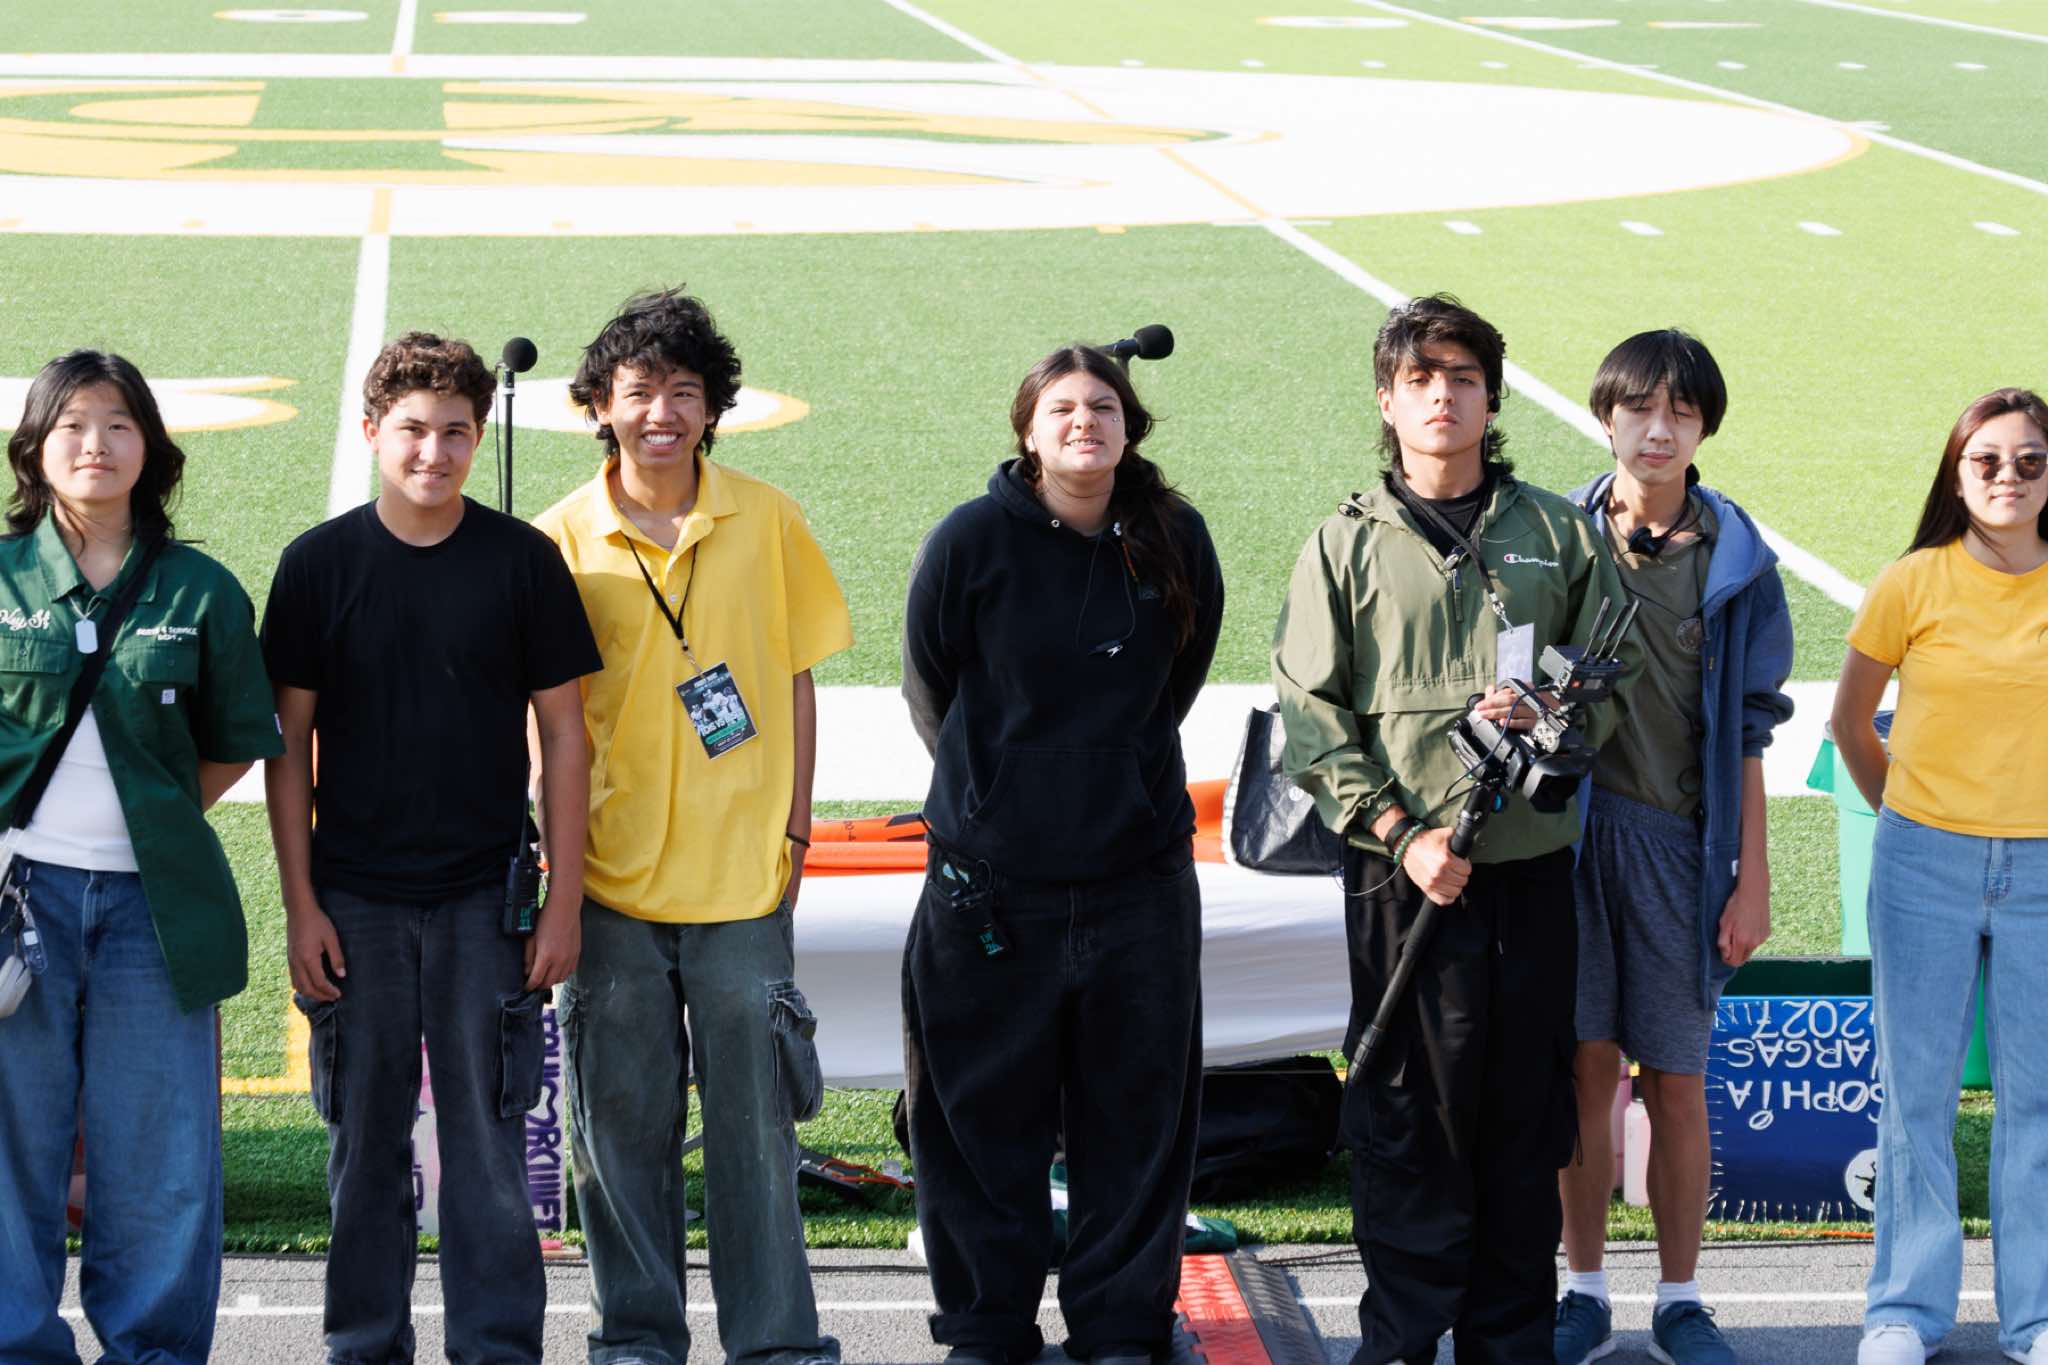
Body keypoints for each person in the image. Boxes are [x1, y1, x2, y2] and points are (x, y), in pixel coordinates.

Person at [1272, 294, 1632, 1365]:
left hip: (1525, 877)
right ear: (1387, 401)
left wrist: (1553, 721)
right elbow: (1310, 717)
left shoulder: (1559, 534)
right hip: (1402, 883)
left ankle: (1508, 1342)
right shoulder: (1341, 544)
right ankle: (1398, 1338)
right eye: (1420, 378)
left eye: (1463, 378)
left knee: (1521, 1119)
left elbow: (1608, 687)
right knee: (1405, 1119)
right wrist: (1401, 831)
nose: (1443, 396)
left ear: (1492, 399)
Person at [262, 332, 601, 1364]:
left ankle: (496, 1347)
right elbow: (288, 749)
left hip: (484, 901)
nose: (434, 452)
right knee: (364, 1146)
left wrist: (563, 901)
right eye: (412, 429)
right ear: (372, 431)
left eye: (456, 431)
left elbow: (566, 737)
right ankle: (363, 1343)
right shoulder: (317, 566)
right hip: (354, 902)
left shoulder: (522, 562)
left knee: (488, 1146)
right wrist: (301, 904)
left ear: (479, 436)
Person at [532, 288, 849, 1365]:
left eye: (683, 391)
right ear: (598, 406)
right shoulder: (558, 539)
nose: (660, 412)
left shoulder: (769, 518)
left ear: (713, 407)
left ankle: (778, 1346)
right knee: (618, 1133)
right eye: (637, 392)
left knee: (757, 1137)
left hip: (745, 877)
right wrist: (558, 867)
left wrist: (796, 832)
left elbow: (796, 678)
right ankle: (635, 1341)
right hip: (607, 879)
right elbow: (543, 718)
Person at [899, 343, 1225, 1365]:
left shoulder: (1174, 537)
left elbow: (1178, 678)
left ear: (1129, 427)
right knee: (975, 1119)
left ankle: (1121, 1324)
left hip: (1138, 883)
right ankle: (986, 1326)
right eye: (1063, 409)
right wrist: (1005, 793)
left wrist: (1108, 775)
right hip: (990, 888)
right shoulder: (969, 540)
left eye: (1103, 407)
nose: (1085, 422)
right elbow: (931, 687)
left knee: (1136, 1118)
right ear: (1028, 431)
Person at [0, 350, 281, 1363]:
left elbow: (235, 739)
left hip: (155, 914)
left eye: (119, 424)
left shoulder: (199, 588)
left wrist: (151, 819)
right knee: (10, 1146)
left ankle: (153, 1351)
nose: (96, 444)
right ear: (35, 447)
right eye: (73, 424)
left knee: (159, 1155)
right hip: (18, 905)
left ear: (151, 448)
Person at [1552, 330, 1794, 1365]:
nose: (1658, 430)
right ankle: (1582, 1292)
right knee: (1582, 1069)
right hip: (1567, 843)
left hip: (1678, 851)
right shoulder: (1555, 536)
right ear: (1605, 416)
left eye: (1681, 412)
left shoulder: (1738, 562)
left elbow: (1749, 731)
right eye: (1639, 409)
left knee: (1675, 1081)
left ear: (1703, 428)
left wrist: (1750, 878)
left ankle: (1681, 1299)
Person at [1835, 388, 2048, 1365]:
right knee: (1915, 1095)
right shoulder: (1910, 581)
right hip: (1922, 863)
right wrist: (1908, 822)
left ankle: (2033, 1319)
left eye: (2029, 461)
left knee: (2036, 1098)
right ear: (1956, 475)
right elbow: (1850, 722)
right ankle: (1902, 1314)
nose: (2008, 477)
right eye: (1986, 461)